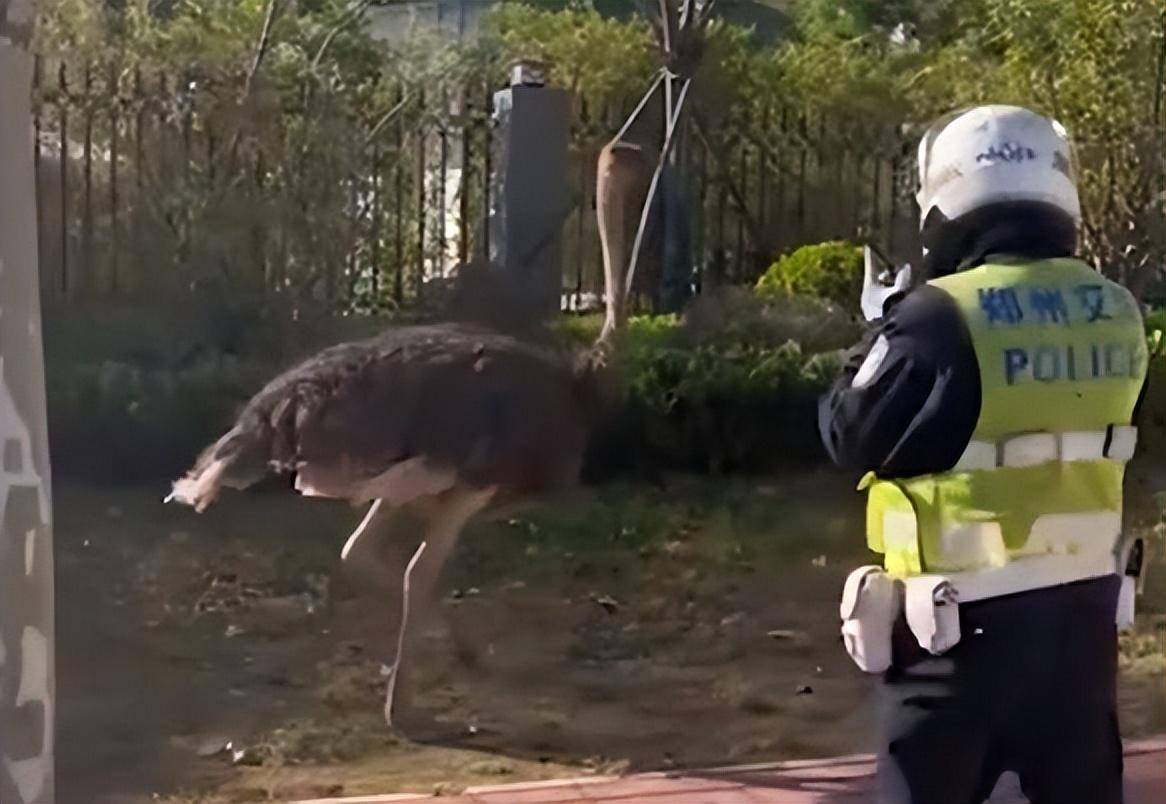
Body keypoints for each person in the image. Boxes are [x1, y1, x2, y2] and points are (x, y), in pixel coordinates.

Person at [820, 105, 1149, 804]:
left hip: (955, 646)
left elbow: (849, 432)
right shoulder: (1118, 309)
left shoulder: (938, 315)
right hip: (1080, 638)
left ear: (947, 194)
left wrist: (883, 325)